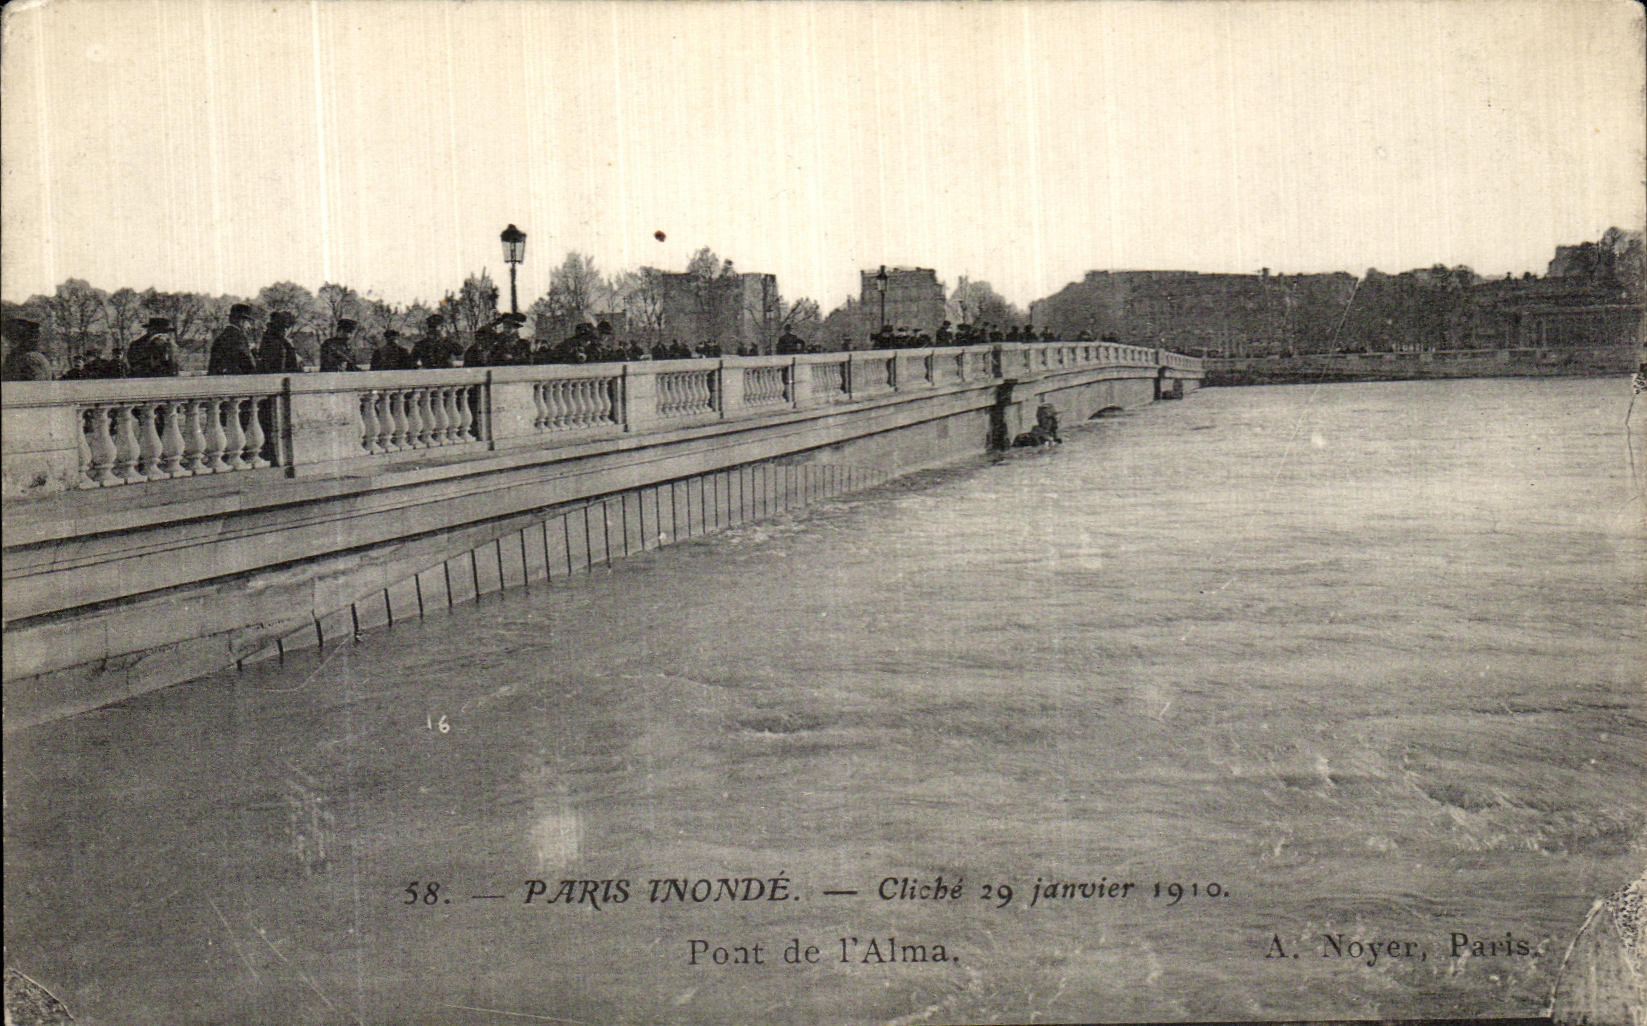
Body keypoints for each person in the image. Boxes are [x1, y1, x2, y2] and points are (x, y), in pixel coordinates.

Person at [209, 303, 260, 375]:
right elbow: (247, 365)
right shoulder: (239, 338)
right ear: (241, 321)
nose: (249, 325)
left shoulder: (222, 337)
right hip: (237, 378)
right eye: (248, 321)